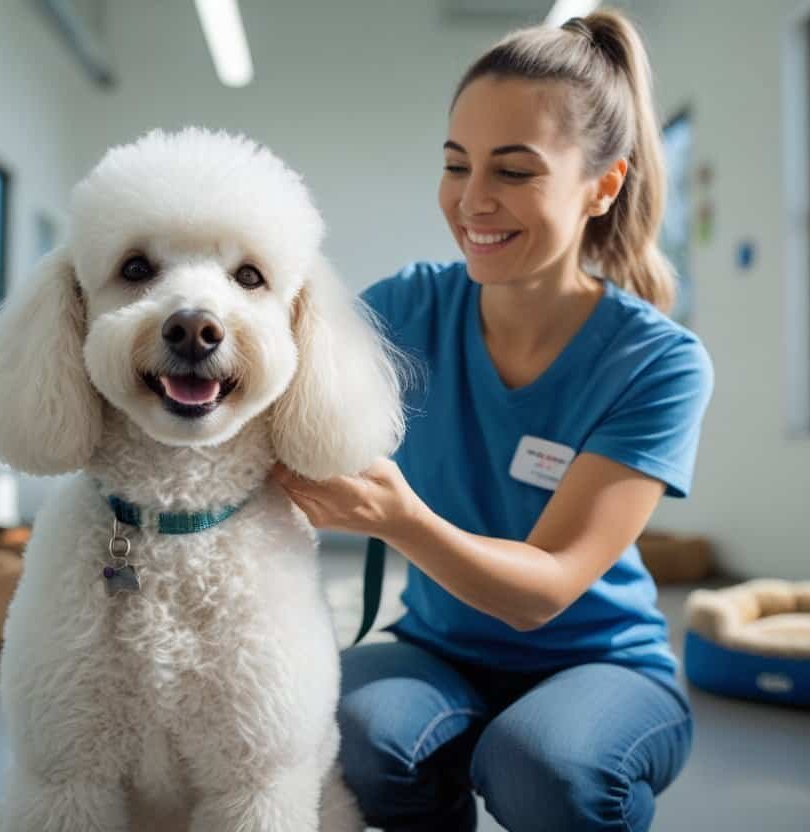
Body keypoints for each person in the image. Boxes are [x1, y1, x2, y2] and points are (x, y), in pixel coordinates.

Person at [271, 10, 714, 832]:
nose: (472, 201)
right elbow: (271, 384)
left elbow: (543, 592)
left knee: (543, 763)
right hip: (440, 652)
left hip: (601, 665)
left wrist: (399, 521)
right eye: (455, 164)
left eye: (514, 172)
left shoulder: (658, 362)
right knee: (360, 730)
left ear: (604, 185)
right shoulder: (407, 307)